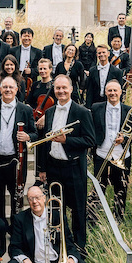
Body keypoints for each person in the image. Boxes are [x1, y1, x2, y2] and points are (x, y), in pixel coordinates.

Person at [36, 75, 95, 248]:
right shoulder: (50, 112)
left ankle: (79, 249)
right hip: (54, 167)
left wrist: (66, 140)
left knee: (78, 210)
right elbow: (45, 142)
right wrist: (42, 168)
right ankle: (58, 245)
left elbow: (90, 140)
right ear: (54, 90)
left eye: (64, 88)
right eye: (57, 88)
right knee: (55, 208)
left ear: (71, 89)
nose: (61, 91)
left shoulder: (82, 112)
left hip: (74, 167)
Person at [0, 76, 37, 220]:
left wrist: (28, 136)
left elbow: (35, 133)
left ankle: (15, 228)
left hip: (16, 161)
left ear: (17, 89)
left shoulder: (25, 109)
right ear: (0, 89)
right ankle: (0, 227)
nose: (8, 90)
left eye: (11, 87)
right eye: (5, 87)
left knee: (16, 197)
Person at [91, 80, 132, 221]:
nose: (112, 93)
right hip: (102, 154)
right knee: (98, 187)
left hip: (122, 156)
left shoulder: (130, 110)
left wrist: (124, 138)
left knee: (121, 188)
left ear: (120, 92)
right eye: (109, 90)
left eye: (115, 90)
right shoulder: (96, 108)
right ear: (105, 92)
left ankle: (119, 218)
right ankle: (93, 218)